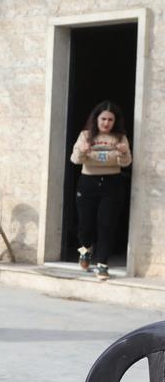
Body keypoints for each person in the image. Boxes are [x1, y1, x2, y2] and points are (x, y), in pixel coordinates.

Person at [70, 100, 131, 281]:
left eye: (110, 120)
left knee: (106, 225)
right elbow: (75, 160)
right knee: (85, 225)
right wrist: (82, 151)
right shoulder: (85, 135)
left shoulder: (121, 138)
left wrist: (123, 152)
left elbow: (126, 163)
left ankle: (102, 264)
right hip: (87, 182)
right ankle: (85, 250)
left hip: (112, 184)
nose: (106, 123)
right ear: (96, 119)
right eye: (103, 118)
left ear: (115, 121)